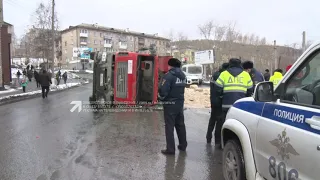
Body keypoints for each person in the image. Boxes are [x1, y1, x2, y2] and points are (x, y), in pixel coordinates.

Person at [213, 58, 253, 147]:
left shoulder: (224, 74)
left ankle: (220, 144)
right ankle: (237, 144)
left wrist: (222, 97)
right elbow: (250, 90)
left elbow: (217, 89)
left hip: (226, 105)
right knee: (239, 126)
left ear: (230, 64)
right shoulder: (246, 75)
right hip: (240, 107)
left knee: (223, 124)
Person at [158, 58, 187, 155]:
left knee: (169, 126)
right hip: (179, 103)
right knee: (180, 125)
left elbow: (163, 90)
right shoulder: (183, 75)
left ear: (170, 65)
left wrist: (161, 98)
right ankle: (183, 145)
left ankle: (170, 149)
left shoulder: (168, 76)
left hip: (170, 104)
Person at [206, 62, 229, 144]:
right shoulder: (221, 75)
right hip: (218, 101)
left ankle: (208, 137)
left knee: (212, 119)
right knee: (219, 121)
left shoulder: (216, 74)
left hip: (213, 100)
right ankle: (217, 141)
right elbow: (220, 90)